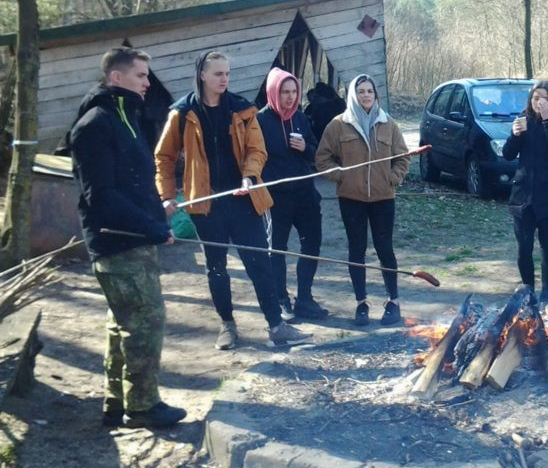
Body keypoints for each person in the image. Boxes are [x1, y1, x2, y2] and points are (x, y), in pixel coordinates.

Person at [155, 51, 311, 350]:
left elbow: (257, 150)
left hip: (243, 200)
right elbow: (163, 157)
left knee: (259, 264)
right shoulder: (182, 114)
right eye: (218, 74)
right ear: (202, 75)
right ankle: (227, 326)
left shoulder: (242, 109)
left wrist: (250, 177)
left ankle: (276, 326)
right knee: (216, 267)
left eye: (227, 73)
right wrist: (165, 196)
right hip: (205, 204)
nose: (224, 79)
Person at [69, 47, 186, 429]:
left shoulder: (126, 116)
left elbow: (134, 181)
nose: (148, 82)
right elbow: (100, 195)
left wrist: (159, 212)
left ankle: (116, 402)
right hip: (116, 242)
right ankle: (142, 406)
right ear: (116, 78)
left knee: (123, 323)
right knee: (146, 320)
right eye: (141, 76)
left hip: (135, 237)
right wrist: (151, 227)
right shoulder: (95, 124)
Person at [315, 74, 410, 326]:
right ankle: (361, 303)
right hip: (351, 198)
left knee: (384, 249)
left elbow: (403, 157)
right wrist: (341, 177)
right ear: (353, 96)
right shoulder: (338, 125)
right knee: (356, 250)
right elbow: (322, 159)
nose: (366, 95)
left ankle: (393, 301)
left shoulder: (388, 123)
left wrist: (393, 177)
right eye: (361, 91)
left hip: (383, 197)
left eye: (370, 91)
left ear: (375, 95)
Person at [257, 67, 328, 321]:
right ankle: (281, 299)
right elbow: (255, 159)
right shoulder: (260, 121)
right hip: (277, 198)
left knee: (312, 244)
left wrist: (304, 147)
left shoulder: (300, 117)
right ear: (273, 92)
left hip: (306, 194)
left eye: (293, 91)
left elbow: (316, 154)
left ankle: (305, 298)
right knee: (277, 249)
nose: (289, 97)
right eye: (284, 92)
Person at [502, 80, 548, 303]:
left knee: (547, 247)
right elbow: (507, 154)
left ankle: (546, 294)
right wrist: (514, 135)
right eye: (535, 97)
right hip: (523, 196)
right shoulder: (523, 121)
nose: (538, 102)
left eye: (543, 98)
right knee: (524, 248)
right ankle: (528, 293)